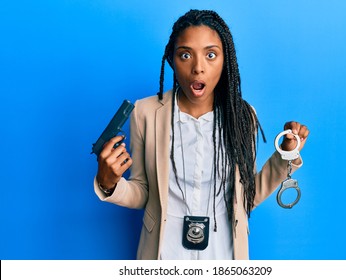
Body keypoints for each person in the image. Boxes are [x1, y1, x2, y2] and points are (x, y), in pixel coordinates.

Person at [94, 9, 309, 260]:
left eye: (210, 55)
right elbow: (143, 191)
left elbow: (246, 196)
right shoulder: (145, 112)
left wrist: (285, 154)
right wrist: (109, 184)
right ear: (172, 60)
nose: (198, 68)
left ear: (224, 60)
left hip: (223, 253)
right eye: (185, 55)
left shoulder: (242, 115)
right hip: (164, 253)